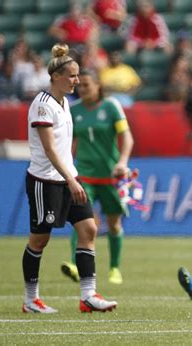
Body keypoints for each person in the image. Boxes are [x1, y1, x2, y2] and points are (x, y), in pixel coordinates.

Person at [22, 43, 117, 313]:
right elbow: (50, 149)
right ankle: (31, 300)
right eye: (72, 75)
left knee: (89, 229)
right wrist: (73, 180)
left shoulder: (66, 104)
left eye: (78, 75)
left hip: (68, 178)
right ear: (56, 76)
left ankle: (88, 296)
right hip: (45, 181)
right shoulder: (42, 105)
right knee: (39, 240)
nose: (77, 80)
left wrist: (73, 177)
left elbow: (65, 146)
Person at [60, 69, 134, 285]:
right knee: (82, 221)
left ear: (98, 86)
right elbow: (69, 143)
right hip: (84, 174)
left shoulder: (111, 107)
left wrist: (122, 162)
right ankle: (75, 264)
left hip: (110, 176)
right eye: (79, 86)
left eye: (86, 85)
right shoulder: (73, 111)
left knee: (113, 224)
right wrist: (67, 170)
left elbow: (127, 138)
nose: (82, 89)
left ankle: (114, 268)